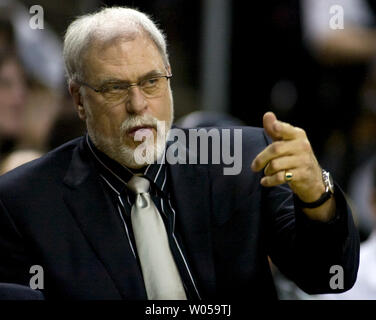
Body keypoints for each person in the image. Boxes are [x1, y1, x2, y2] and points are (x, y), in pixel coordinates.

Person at [0, 6, 359, 300]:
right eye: (114, 88)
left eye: (151, 81)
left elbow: (329, 278)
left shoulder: (240, 160)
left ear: (169, 77)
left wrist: (317, 197)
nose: (138, 104)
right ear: (78, 99)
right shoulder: (26, 203)